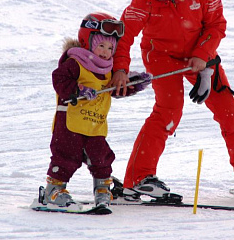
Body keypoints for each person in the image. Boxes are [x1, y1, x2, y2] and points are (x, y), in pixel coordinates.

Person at [110, 0, 234, 202]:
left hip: (199, 56)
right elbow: (124, 35)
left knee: (228, 108)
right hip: (160, 56)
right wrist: (120, 69)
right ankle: (137, 178)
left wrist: (202, 57)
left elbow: (217, 24)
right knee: (168, 112)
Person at [40, 12, 152, 208]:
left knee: (101, 157)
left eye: (110, 47)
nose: (106, 52)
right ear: (87, 42)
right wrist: (79, 90)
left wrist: (134, 84)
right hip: (69, 124)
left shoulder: (107, 69)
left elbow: (114, 90)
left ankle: (102, 188)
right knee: (67, 156)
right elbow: (59, 79)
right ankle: (54, 189)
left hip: (95, 125)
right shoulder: (75, 62)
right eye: (101, 45)